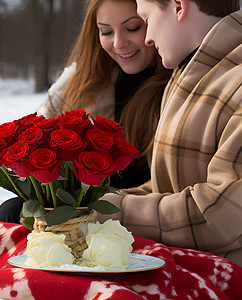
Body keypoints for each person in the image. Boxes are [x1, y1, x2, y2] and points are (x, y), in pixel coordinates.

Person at [0, 0, 172, 224]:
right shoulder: (82, 83)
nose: (118, 43)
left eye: (132, 28)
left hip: (143, 207)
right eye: (106, 31)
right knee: (12, 211)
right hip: (84, 200)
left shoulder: (174, 85)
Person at [98, 0, 242, 265]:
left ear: (178, 6)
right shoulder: (187, 73)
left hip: (224, 276)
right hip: (179, 260)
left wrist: (110, 212)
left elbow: (222, 216)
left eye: (147, 19)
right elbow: (170, 187)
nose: (149, 38)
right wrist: (91, 204)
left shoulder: (236, 83)